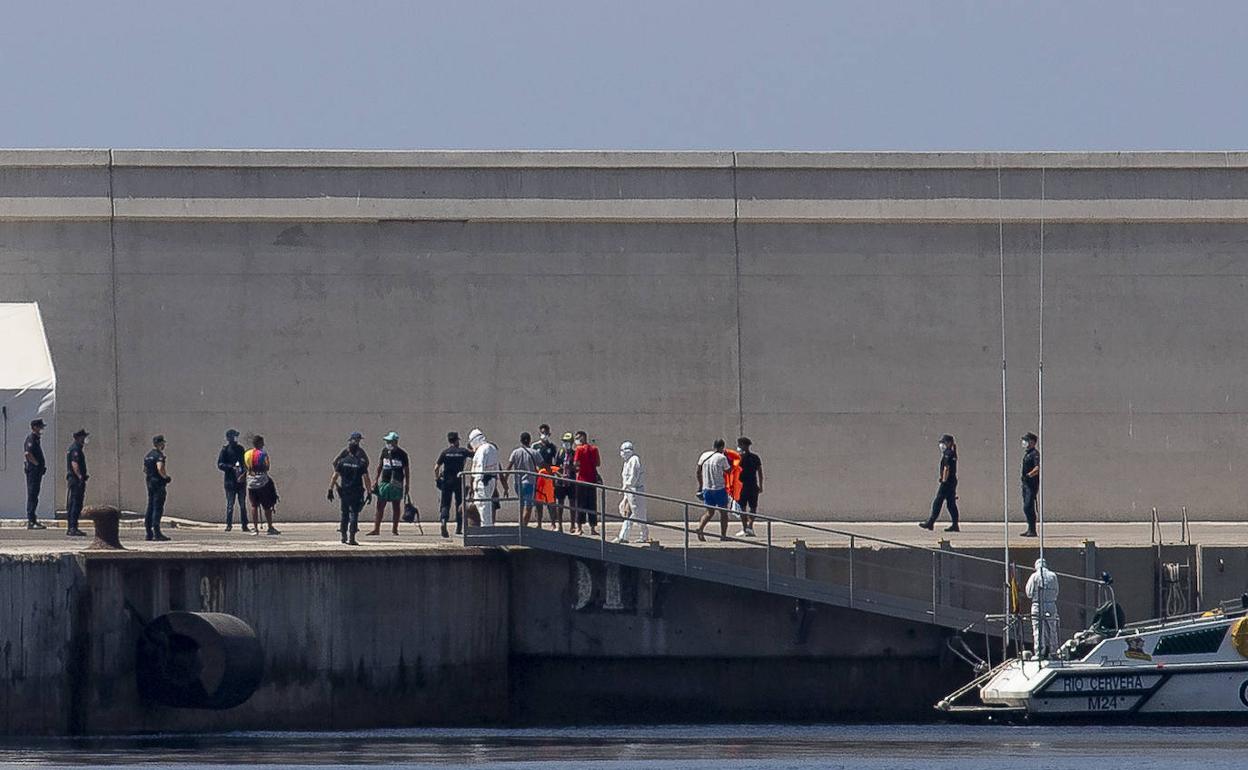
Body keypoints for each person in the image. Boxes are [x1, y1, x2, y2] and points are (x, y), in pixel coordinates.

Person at [328, 432, 371, 545]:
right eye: (357, 439)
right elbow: (366, 475)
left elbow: (335, 471)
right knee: (353, 513)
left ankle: (344, 535)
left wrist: (332, 487)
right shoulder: (350, 454)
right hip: (355, 489)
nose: (358, 441)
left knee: (345, 513)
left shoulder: (347, 459)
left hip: (346, 488)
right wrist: (369, 491)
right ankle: (350, 536)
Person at [368, 431, 409, 536]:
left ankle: (395, 529)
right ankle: (376, 529)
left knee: (396, 505)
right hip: (385, 482)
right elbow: (380, 466)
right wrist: (375, 480)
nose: (388, 443)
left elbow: (406, 470)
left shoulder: (402, 454)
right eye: (387, 441)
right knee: (380, 505)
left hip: (397, 483)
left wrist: (407, 484)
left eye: (390, 441)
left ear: (395, 442)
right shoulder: (384, 451)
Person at [434, 431, 473, 538]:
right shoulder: (462, 451)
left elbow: (436, 467)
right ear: (456, 440)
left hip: (446, 481)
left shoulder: (445, 452)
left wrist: (437, 478)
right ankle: (459, 527)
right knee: (459, 503)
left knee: (445, 504)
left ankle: (443, 521)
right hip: (458, 480)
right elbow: (475, 454)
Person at [921, 434, 960, 533]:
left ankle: (930, 522)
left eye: (944, 442)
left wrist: (943, 480)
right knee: (951, 504)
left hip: (947, 483)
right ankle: (955, 525)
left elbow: (946, 468)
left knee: (938, 501)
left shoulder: (948, 453)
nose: (942, 444)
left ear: (949, 443)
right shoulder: (953, 453)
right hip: (952, 482)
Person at [695, 439, 731, 542]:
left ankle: (700, 528)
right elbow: (728, 471)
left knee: (709, 512)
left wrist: (701, 485)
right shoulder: (721, 458)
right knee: (723, 513)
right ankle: (723, 535)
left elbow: (698, 471)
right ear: (722, 447)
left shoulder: (704, 455)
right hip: (719, 488)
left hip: (707, 488)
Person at [613, 441, 649, 544]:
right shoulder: (626, 462)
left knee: (638, 514)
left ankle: (643, 535)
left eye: (623, 451)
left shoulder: (634, 460)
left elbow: (634, 476)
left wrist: (627, 486)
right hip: (628, 491)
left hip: (635, 491)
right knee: (627, 513)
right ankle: (624, 536)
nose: (622, 453)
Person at [243, 435, 280, 535]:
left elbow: (246, 466)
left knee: (254, 505)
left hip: (251, 483)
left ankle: (255, 528)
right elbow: (267, 467)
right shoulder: (263, 454)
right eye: (262, 442)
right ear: (259, 443)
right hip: (262, 482)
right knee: (267, 505)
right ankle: (270, 527)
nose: (263, 444)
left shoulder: (247, 454)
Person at [1025, 557, 1059, 657]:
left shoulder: (1034, 576)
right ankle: (1054, 652)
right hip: (1051, 604)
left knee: (1038, 630)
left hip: (1038, 604)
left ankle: (1040, 652)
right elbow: (1056, 591)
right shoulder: (1053, 576)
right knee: (1052, 629)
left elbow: (1029, 593)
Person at [217, 428, 249, 532]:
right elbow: (220, 464)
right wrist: (231, 467)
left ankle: (245, 525)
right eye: (232, 436)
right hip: (230, 482)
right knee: (230, 505)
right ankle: (229, 524)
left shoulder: (240, 449)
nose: (234, 438)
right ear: (228, 438)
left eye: (235, 436)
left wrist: (243, 472)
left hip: (240, 482)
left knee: (243, 505)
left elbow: (245, 463)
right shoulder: (225, 450)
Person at [505, 432, 541, 525]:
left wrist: (505, 483)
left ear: (521, 440)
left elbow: (509, 467)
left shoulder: (515, 452)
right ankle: (524, 526)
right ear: (529, 440)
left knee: (521, 505)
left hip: (517, 483)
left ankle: (520, 524)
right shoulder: (534, 452)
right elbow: (542, 464)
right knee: (528, 506)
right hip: (529, 482)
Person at [468, 428, 500, 526]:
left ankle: (485, 528)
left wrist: (476, 484)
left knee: (481, 506)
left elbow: (479, 469)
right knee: (488, 505)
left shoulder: (481, 450)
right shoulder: (492, 448)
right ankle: (489, 526)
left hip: (482, 481)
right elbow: (496, 467)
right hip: (492, 480)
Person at [143, 435, 172, 541]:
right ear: (160, 444)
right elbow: (160, 468)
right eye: (163, 443)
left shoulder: (148, 455)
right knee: (158, 507)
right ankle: (157, 532)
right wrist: (165, 477)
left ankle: (148, 532)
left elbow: (145, 470)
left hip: (149, 482)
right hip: (158, 483)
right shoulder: (159, 455)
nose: (164, 445)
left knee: (150, 506)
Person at [572, 431, 601, 536]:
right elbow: (598, 463)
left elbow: (575, 464)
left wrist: (580, 467)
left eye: (578, 437)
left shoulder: (579, 449)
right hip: (592, 480)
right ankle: (592, 528)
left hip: (581, 480)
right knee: (592, 504)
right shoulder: (594, 449)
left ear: (583, 437)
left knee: (580, 504)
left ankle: (579, 528)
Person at [734, 437, 764, 537]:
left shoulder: (738, 458)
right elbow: (760, 472)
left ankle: (746, 528)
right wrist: (760, 485)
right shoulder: (755, 457)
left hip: (743, 487)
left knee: (743, 508)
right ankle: (749, 527)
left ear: (742, 445)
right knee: (753, 507)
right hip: (752, 486)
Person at [23, 418, 48, 530]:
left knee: (35, 495)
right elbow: (28, 453)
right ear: (34, 427)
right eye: (40, 427)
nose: (41, 429)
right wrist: (37, 464)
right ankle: (31, 521)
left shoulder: (37, 439)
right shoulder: (31, 438)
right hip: (33, 471)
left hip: (37, 472)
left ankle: (33, 519)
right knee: (32, 495)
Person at [64, 429, 89, 537]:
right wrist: (80, 477)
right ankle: (72, 527)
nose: (84, 439)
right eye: (83, 437)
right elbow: (74, 464)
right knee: (75, 504)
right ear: (78, 438)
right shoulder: (75, 449)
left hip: (74, 479)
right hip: (76, 480)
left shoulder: (75, 448)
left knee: (74, 503)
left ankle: (72, 527)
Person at [555, 432, 577, 534]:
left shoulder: (575, 453)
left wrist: (571, 468)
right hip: (560, 483)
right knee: (560, 504)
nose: (566, 443)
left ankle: (573, 525)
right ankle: (559, 525)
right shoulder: (560, 453)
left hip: (571, 482)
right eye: (564, 441)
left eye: (568, 441)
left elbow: (577, 468)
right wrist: (560, 475)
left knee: (572, 503)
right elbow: (555, 467)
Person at [1021, 432, 1040, 538]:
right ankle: (1029, 529)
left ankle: (1033, 530)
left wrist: (1029, 475)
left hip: (1031, 484)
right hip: (1025, 484)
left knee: (1028, 506)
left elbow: (1037, 468)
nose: (1024, 442)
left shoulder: (1034, 454)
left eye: (1026, 440)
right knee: (1026, 507)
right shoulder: (1027, 453)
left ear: (1032, 442)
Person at [534, 456, 558, 528]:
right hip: (539, 480)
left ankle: (553, 524)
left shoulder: (551, 447)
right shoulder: (535, 448)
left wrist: (553, 477)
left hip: (549, 479)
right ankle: (539, 524)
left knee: (551, 504)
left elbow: (555, 466)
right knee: (538, 504)